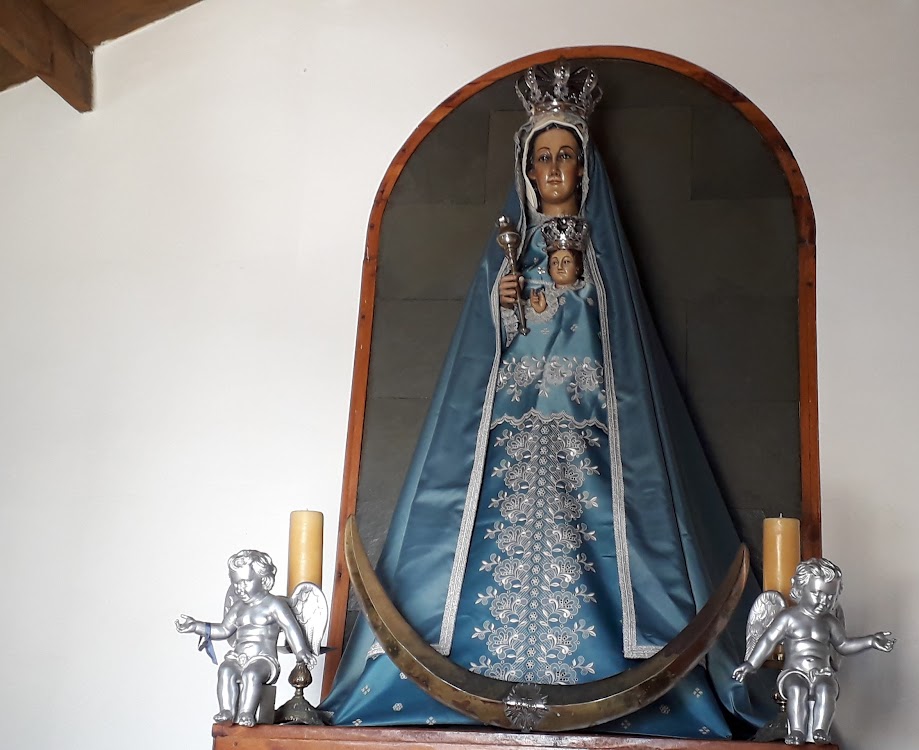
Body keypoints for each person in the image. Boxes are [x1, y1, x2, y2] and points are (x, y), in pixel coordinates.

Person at [321, 61, 774, 737]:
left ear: (583, 168)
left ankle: (607, 675)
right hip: (511, 426)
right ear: (527, 170)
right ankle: (470, 676)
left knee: (603, 539)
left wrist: (579, 294)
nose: (555, 169)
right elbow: (482, 352)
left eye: (566, 155)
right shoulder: (509, 251)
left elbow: (621, 344)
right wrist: (501, 303)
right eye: (543, 158)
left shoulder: (602, 255)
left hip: (585, 426)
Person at [733, 558, 896, 745]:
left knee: (827, 689)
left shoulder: (830, 621)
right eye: (817, 594)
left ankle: (820, 730)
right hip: (793, 672)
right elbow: (768, 640)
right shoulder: (788, 617)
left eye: (830, 596)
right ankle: (797, 730)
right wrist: (751, 664)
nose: (824, 601)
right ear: (800, 589)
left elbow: (843, 645)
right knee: (797, 689)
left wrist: (871, 641)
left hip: (822, 673)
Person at [175, 550, 317, 727]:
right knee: (225, 670)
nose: (239, 588)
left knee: (251, 674)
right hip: (238, 657)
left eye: (245, 582)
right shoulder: (238, 607)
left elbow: (290, 627)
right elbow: (223, 629)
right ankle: (227, 711)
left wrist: (301, 650)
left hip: (263, 660)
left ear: (264, 580)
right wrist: (196, 626)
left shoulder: (274, 604)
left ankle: (246, 713)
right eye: (235, 583)